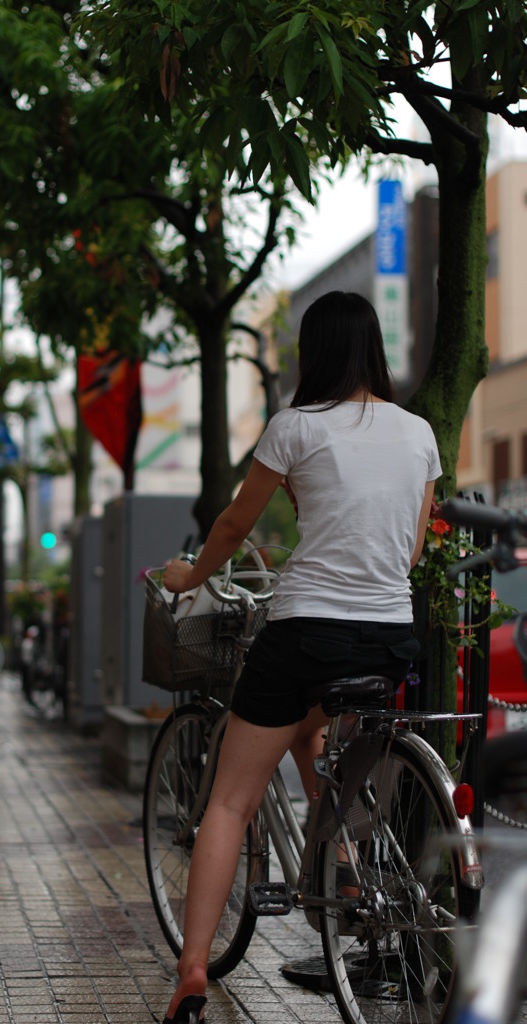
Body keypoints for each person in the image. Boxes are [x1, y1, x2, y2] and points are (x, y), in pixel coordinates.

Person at [159, 291, 441, 1024]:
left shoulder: (294, 427)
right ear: (372, 350)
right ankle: (345, 869)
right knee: (310, 730)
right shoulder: (418, 434)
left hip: (303, 631)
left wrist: (189, 576)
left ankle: (192, 968)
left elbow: (232, 522)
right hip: (387, 635)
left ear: (310, 354)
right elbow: (406, 551)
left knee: (229, 798)